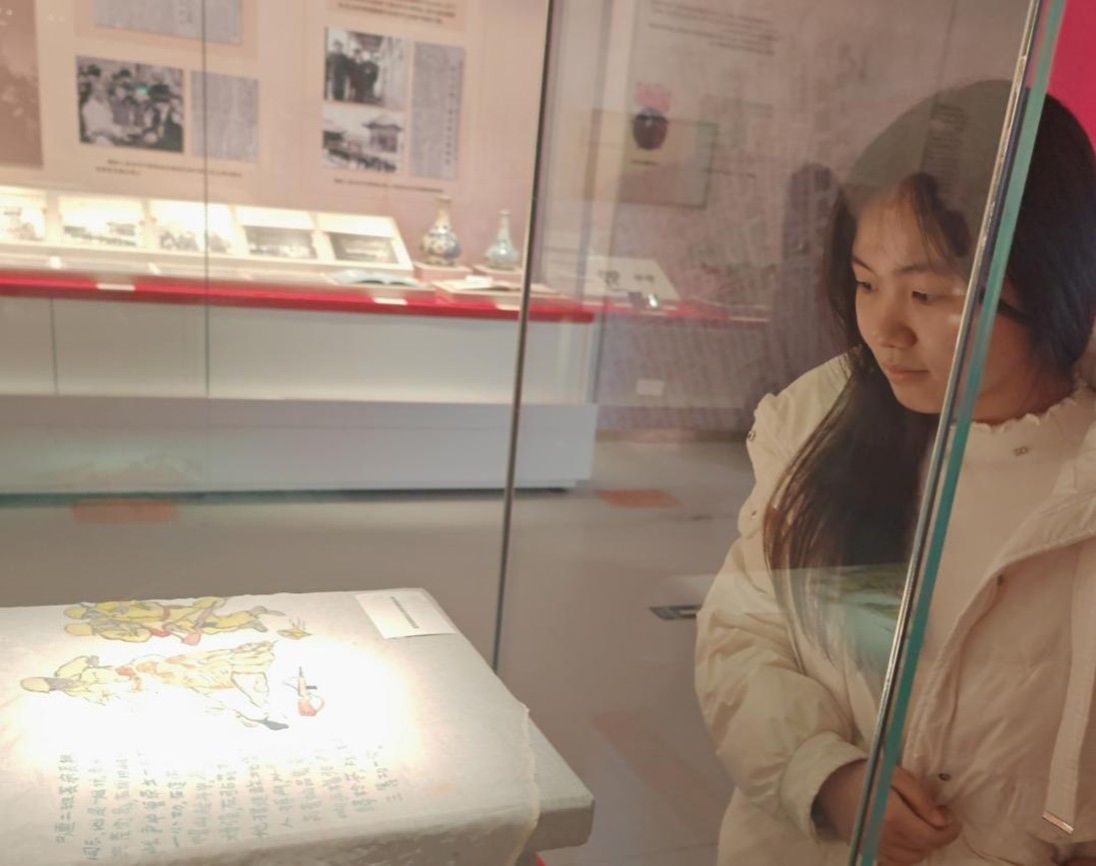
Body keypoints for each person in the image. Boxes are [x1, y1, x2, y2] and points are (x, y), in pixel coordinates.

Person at [696, 80, 1096, 865]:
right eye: (865, 283)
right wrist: (825, 775)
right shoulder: (819, 426)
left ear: (1049, 277)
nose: (885, 329)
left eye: (925, 292)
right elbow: (743, 634)